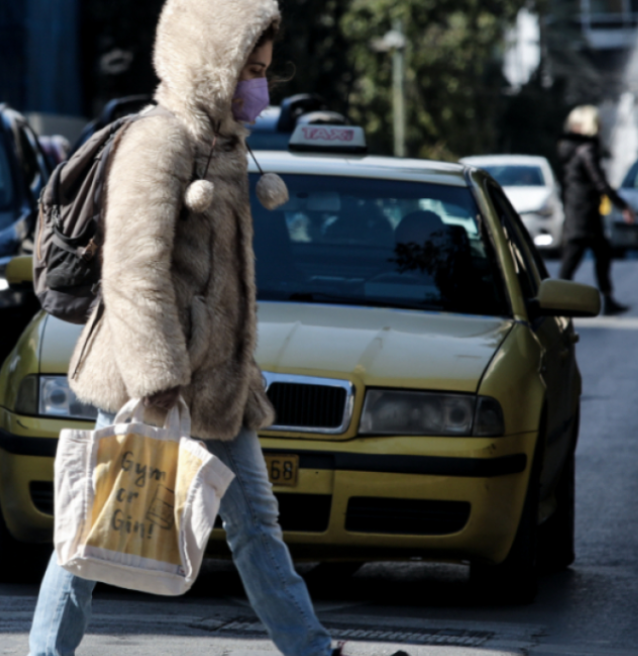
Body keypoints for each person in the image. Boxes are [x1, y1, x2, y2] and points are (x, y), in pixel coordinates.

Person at [27, 2, 407, 656]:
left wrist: (237, 369)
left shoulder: (225, 146)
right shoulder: (160, 138)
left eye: (263, 71)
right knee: (90, 535)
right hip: (151, 380)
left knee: (256, 523)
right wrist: (158, 379)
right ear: (210, 63)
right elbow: (132, 269)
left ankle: (312, 650)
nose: (259, 86)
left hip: (215, 383)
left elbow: (222, 285)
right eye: (247, 69)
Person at [556, 105, 636, 315]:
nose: (601, 128)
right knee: (575, 259)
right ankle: (556, 304)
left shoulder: (568, 147)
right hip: (586, 213)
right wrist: (623, 206)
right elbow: (600, 182)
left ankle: (603, 300)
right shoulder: (586, 149)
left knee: (594, 255)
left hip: (577, 210)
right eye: (598, 124)